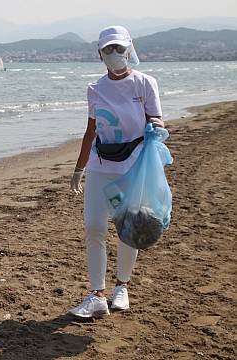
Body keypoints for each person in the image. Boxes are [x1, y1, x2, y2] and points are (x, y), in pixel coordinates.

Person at [69, 26, 165, 318]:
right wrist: (78, 170)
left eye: (119, 49)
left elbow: (157, 117)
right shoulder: (95, 89)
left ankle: (121, 288)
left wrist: (158, 128)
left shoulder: (145, 83)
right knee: (94, 228)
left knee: (128, 228)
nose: (114, 55)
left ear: (129, 49)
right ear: (99, 53)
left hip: (133, 169)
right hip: (101, 167)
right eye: (108, 49)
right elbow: (90, 131)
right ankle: (97, 295)